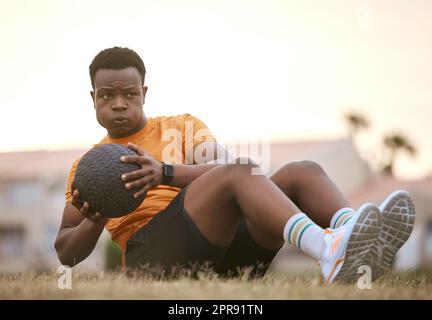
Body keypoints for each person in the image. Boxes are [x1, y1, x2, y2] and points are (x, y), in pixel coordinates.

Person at [54, 47, 415, 284]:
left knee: (300, 171)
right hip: (153, 261)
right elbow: (66, 253)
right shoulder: (87, 167)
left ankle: (353, 234)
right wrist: (94, 220)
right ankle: (327, 250)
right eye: (107, 95)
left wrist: (163, 171)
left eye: (129, 94)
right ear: (93, 99)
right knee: (241, 171)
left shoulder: (181, 126)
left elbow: (224, 168)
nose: (118, 104)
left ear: (144, 94)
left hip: (224, 253)